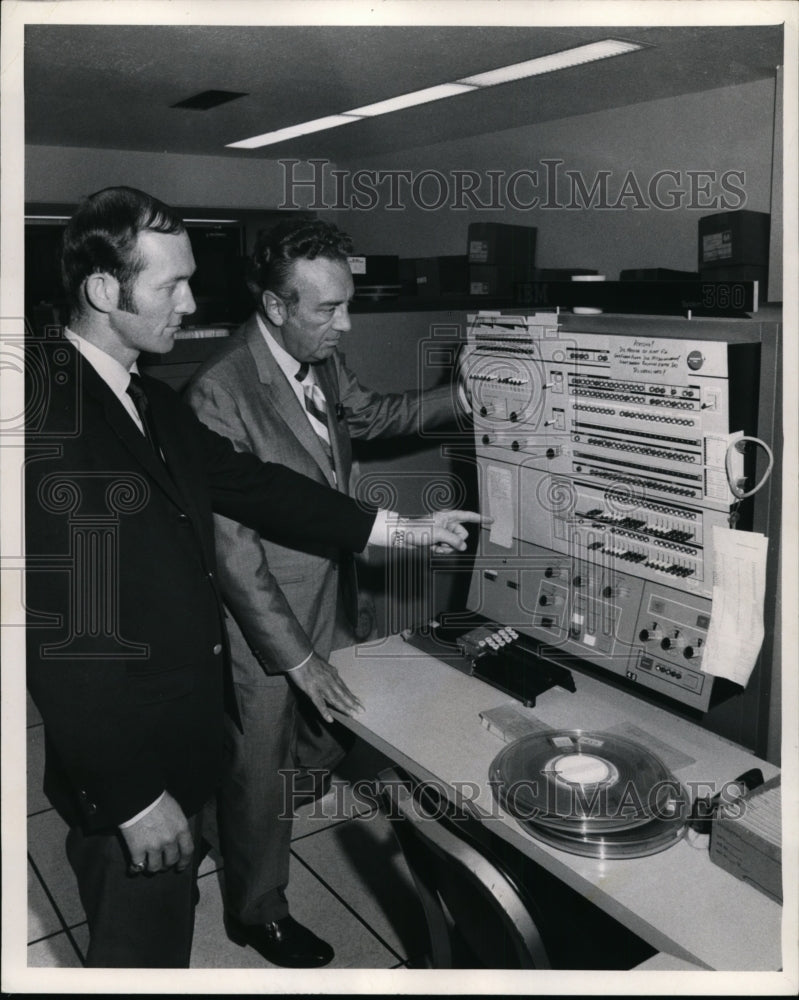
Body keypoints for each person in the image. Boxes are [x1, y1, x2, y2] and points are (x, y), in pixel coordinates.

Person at [24, 187, 481, 968]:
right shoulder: (46, 420)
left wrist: (397, 528)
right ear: (105, 290)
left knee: (170, 917)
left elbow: (257, 486)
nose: (192, 302)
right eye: (171, 285)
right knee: (136, 952)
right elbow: (69, 635)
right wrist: (132, 798)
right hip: (131, 765)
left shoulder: (150, 401)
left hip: (183, 729)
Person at [186, 218, 462, 967]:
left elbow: (374, 415)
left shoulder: (318, 361)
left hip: (329, 593)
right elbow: (234, 550)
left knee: (312, 746)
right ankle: (255, 910)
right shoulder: (219, 391)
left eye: (346, 305)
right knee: (262, 765)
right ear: (275, 307)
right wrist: (297, 657)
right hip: (264, 621)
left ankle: (220, 830)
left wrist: (460, 398)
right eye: (325, 310)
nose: (343, 325)